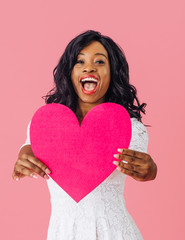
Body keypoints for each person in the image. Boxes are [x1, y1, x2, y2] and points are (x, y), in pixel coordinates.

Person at [12, 30, 157, 239]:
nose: (89, 67)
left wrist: (150, 169)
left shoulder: (128, 127)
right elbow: (28, 150)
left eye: (99, 61)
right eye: (79, 62)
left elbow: (144, 166)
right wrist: (22, 161)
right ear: (69, 72)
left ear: (112, 72)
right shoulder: (47, 124)